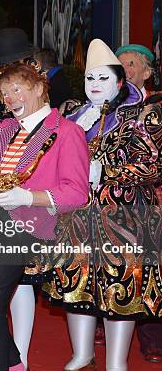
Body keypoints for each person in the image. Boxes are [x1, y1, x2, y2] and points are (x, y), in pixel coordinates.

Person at [0, 62, 90, 371]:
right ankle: (14, 361)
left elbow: (76, 193)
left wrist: (28, 197)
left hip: (26, 225)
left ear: (40, 89)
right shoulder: (4, 129)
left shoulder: (67, 132)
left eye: (17, 89)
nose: (10, 98)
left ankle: (0, 365)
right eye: (4, 93)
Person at [45, 39, 162, 371]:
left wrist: (107, 169)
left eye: (102, 79)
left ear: (120, 82)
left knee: (119, 284)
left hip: (124, 216)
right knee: (76, 283)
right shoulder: (72, 114)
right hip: (77, 217)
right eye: (89, 79)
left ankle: (115, 362)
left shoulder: (144, 114)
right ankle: (82, 354)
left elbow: (153, 165)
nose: (94, 86)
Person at [115, 43, 162, 364]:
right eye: (119, 65)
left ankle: (152, 336)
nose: (125, 70)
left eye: (131, 64)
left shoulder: (156, 107)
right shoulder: (104, 107)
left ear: (147, 72)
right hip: (110, 203)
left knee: (148, 267)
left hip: (150, 199)